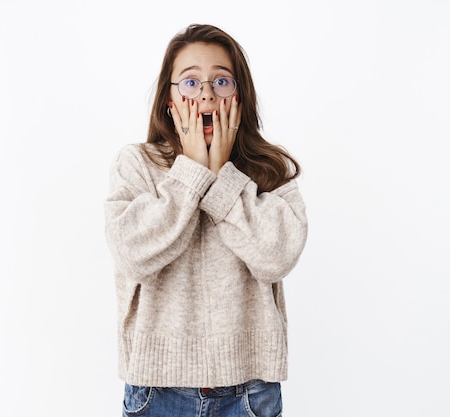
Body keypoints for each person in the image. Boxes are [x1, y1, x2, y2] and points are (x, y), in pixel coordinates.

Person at [104, 23, 308, 417]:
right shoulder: (136, 165)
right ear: (170, 98)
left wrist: (223, 180)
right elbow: (133, 255)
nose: (207, 93)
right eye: (191, 82)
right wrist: (194, 170)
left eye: (222, 80)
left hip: (249, 391)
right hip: (156, 391)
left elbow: (276, 257)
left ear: (240, 94)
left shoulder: (271, 169)